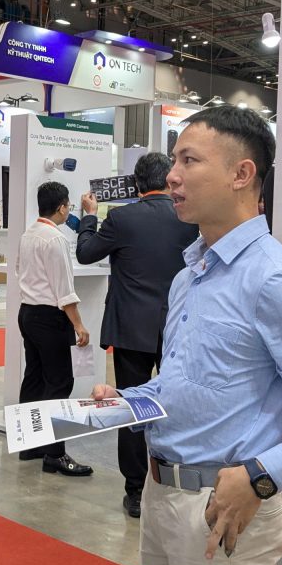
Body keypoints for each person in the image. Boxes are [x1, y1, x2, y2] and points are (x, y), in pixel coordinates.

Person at [92, 105, 282, 565]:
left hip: (222, 508)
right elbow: (184, 381)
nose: (172, 175)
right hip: (162, 496)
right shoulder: (189, 276)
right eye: (174, 161)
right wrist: (129, 400)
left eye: (189, 160)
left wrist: (262, 476)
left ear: (241, 174)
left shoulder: (274, 280)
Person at [75, 152, 199, 518]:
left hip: (131, 328)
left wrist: (88, 216)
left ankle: (135, 491)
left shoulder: (121, 217)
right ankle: (180, 479)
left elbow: (86, 253)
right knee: (181, 401)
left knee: (130, 406)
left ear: (136, 183)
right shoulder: (187, 217)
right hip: (178, 325)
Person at [16, 181, 93, 477]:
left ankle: (30, 445)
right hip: (50, 317)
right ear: (62, 207)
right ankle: (55, 454)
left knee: (34, 379)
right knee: (59, 383)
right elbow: (64, 290)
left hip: (28, 313)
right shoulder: (55, 239)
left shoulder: (29, 234)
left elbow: (20, 270)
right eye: (68, 205)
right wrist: (79, 324)